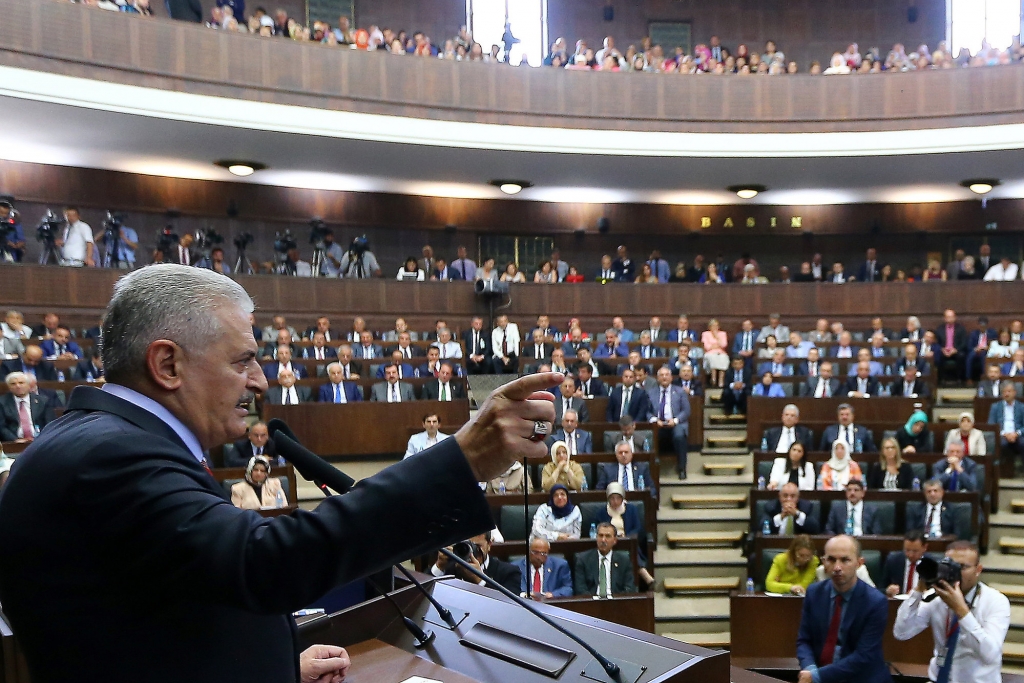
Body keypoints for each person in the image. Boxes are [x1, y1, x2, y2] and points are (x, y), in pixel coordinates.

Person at [0, 263, 562, 683]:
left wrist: (277, 667)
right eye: (243, 360)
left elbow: (162, 624)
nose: (262, 381)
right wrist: (462, 461)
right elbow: (264, 563)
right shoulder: (109, 456)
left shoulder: (107, 440)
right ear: (167, 364)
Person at [894, 540, 1010, 683]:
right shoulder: (936, 598)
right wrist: (918, 591)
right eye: (949, 566)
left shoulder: (995, 601)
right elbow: (902, 633)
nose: (954, 572)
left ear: (978, 569)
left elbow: (990, 655)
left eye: (961, 567)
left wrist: (961, 611)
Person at [796, 535, 892, 683]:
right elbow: (804, 641)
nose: (837, 567)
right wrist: (810, 669)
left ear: (859, 563)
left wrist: (816, 676)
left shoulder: (875, 602)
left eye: (845, 560)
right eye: (831, 560)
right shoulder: (814, 593)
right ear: (823, 562)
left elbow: (863, 656)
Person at [573, 522, 637, 597]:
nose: (603, 540)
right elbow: (580, 589)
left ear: (615, 540)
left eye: (608, 536)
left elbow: (629, 588)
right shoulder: (583, 559)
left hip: (616, 603)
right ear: (596, 537)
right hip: (591, 604)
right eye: (600, 536)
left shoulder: (624, 560)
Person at [648, 365, 689, 480]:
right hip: (658, 425)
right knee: (650, 436)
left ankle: (682, 469)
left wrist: (675, 420)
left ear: (671, 377)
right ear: (657, 378)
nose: (664, 377)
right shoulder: (651, 392)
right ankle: (652, 469)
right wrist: (655, 420)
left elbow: (686, 411)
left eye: (667, 375)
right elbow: (647, 411)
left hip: (676, 424)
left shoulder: (680, 391)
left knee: (679, 436)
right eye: (661, 375)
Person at [0, 372, 56, 442]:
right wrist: (15, 440)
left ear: (28, 385)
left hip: (40, 441)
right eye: (13, 384)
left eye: (21, 383)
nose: (18, 386)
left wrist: (41, 439)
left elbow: (50, 423)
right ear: (9, 387)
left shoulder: (43, 401)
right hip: (14, 442)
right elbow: (1, 427)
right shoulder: (2, 402)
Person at [988, 381, 1024, 472]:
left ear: (1014, 392)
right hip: (1002, 435)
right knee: (1001, 444)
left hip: (1018, 434)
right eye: (1004, 392)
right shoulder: (995, 406)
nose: (1006, 394)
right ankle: (1000, 471)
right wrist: (1004, 434)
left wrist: (1017, 433)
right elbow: (991, 424)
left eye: (1009, 391)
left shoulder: (1021, 407)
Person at [883, 530, 929, 597]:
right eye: (907, 550)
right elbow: (880, 588)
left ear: (924, 547)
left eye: (915, 551)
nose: (910, 555)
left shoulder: (933, 564)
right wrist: (887, 590)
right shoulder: (893, 561)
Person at [701, 318, 730, 387]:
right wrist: (716, 346)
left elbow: (724, 345)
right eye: (713, 326)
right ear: (710, 327)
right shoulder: (705, 334)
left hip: (721, 353)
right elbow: (706, 346)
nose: (715, 327)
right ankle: (713, 380)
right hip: (710, 353)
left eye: (716, 326)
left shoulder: (722, 334)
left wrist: (717, 337)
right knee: (712, 357)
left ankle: (721, 381)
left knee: (723, 358)